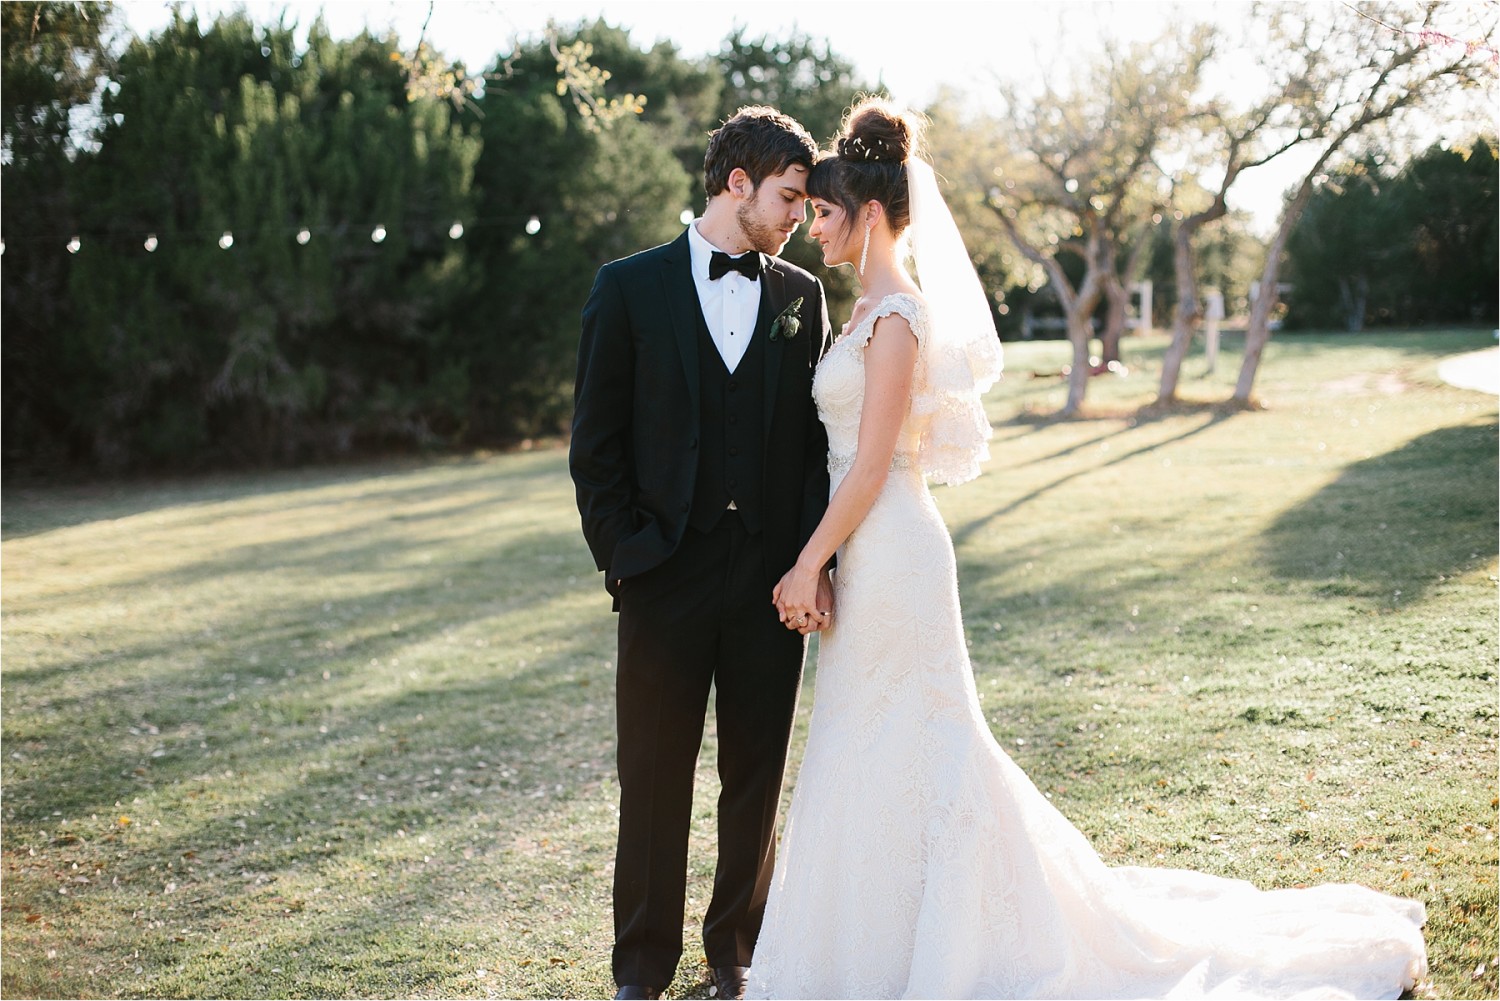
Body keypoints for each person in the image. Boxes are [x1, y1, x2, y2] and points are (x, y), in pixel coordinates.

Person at [748, 98, 1429, 999]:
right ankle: (877, 944)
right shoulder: (861, 307)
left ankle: (962, 941)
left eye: (825, 212)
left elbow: (872, 464)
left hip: (895, 552)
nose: (814, 228)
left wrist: (806, 562)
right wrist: (826, 556)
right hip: (861, 551)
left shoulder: (898, 315)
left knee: (920, 743)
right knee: (865, 744)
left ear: (867, 212)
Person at [569, 106, 834, 1001]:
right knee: (652, 778)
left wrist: (807, 560)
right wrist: (626, 556)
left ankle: (737, 953)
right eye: (790, 196)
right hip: (662, 576)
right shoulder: (627, 287)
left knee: (754, 775)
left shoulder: (802, 294)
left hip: (768, 580)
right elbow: (594, 447)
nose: (800, 213)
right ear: (736, 185)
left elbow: (811, 450)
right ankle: (641, 966)